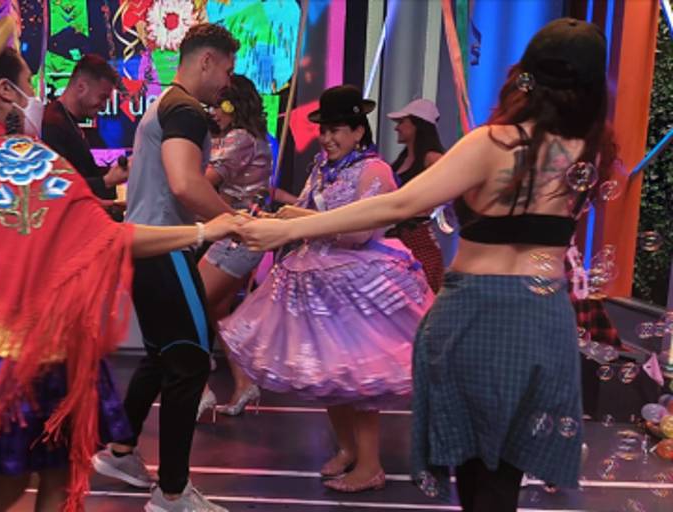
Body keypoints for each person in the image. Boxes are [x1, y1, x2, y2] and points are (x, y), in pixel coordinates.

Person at [236, 19, 613, 511]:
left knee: (477, 472)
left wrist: (286, 230)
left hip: (478, 313)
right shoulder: (593, 151)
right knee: (508, 467)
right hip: (545, 316)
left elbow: (399, 205)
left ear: (524, 75)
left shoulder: (495, 143)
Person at [0, 19, 239, 512]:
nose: (36, 92)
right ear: (6, 91)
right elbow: (109, 239)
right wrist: (204, 231)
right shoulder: (28, 160)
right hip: (40, 356)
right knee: (47, 481)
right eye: (28, 80)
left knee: (11, 484)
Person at [220, 85, 432, 492]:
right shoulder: (323, 167)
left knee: (359, 378)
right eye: (324, 130)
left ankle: (370, 465)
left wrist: (298, 219)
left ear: (358, 131)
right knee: (329, 375)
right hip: (316, 281)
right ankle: (348, 449)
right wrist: (272, 219)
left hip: (359, 285)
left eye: (336, 130)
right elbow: (305, 213)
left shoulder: (375, 171)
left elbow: (359, 233)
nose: (327, 138)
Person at [90, 23, 238, 512]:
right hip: (164, 248)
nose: (227, 84)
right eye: (227, 70)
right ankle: (173, 492)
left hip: (145, 248)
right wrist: (234, 222)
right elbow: (184, 183)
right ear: (206, 61)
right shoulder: (185, 110)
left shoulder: (163, 106)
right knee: (190, 361)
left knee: (162, 356)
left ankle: (121, 450)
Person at [196, 74, 272, 417]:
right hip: (244, 235)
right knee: (218, 311)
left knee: (191, 305)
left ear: (232, 105)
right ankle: (244, 383)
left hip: (236, 235)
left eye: (217, 105)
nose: (213, 113)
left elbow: (203, 182)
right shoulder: (253, 137)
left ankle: (198, 389)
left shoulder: (239, 138)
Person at [41, 54, 129, 205]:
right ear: (81, 87)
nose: (104, 106)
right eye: (102, 97)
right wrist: (107, 181)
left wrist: (115, 173)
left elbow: (82, 173)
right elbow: (57, 189)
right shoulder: (52, 125)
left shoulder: (67, 121)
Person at [387, 99, 446, 292]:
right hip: (397, 236)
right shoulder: (402, 159)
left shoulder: (433, 159)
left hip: (418, 237)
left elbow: (450, 193)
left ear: (417, 125)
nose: (397, 128)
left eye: (402, 122)